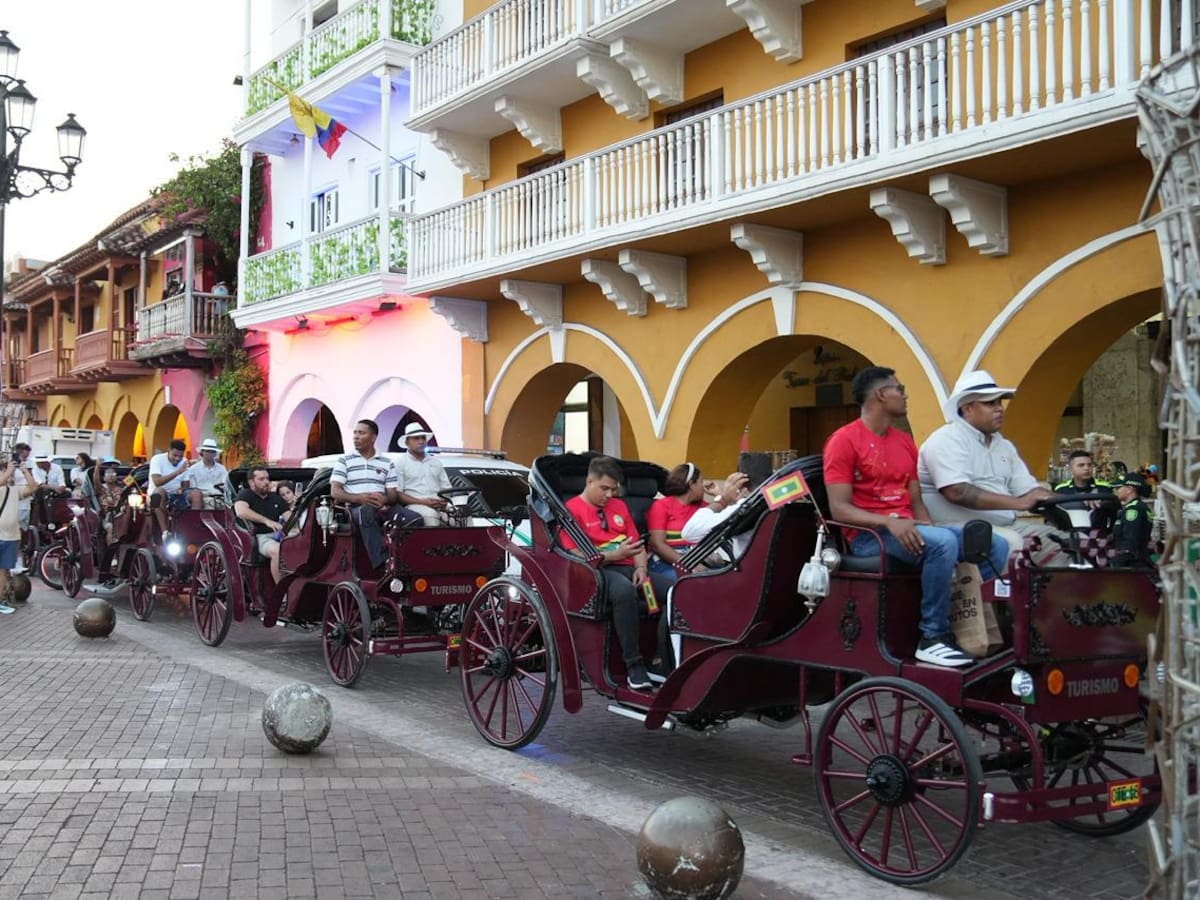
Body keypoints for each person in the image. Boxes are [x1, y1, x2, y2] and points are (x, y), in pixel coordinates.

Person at [824, 367, 1010, 668]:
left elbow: (915, 501)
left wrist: (927, 526)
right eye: (900, 389)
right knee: (941, 545)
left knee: (994, 545)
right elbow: (839, 509)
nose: (905, 395)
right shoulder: (843, 441)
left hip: (910, 530)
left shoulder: (904, 441)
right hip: (870, 538)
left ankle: (976, 627)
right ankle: (932, 637)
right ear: (881, 395)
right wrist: (889, 522)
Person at [560, 455, 673, 690]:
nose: (609, 495)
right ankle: (634, 665)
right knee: (623, 592)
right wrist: (615, 556)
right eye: (604, 488)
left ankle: (663, 661)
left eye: (613, 489)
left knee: (675, 591)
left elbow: (636, 544)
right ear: (589, 481)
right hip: (596, 572)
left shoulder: (619, 506)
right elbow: (575, 554)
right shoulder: (572, 510)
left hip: (629, 567)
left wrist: (641, 568)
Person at [918, 370, 1057, 555]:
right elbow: (957, 492)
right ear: (967, 409)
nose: (999, 408)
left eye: (999, 402)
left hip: (1004, 525)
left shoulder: (1003, 445)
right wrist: (1020, 503)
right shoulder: (946, 439)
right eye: (990, 403)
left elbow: (1029, 490)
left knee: (1069, 542)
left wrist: (1071, 503)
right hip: (956, 529)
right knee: (1014, 544)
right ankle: (1005, 585)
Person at [330, 419, 421, 570]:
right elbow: (335, 492)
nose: (356, 437)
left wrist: (383, 499)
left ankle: (404, 557)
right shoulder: (344, 461)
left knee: (416, 519)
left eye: (361, 433)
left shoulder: (387, 462)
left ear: (373, 437)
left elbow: (392, 496)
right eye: (355, 433)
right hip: (355, 508)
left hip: (382, 505)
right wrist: (359, 498)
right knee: (366, 510)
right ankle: (382, 562)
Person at [646, 463, 708, 580]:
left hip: (697, 559)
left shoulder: (702, 507)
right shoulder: (661, 506)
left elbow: (727, 517)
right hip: (666, 561)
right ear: (691, 484)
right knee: (692, 583)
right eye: (701, 482)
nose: (703, 487)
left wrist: (720, 496)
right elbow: (657, 545)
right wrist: (689, 564)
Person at [234, 466, 289, 584]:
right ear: (251, 482)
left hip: (280, 535)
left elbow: (289, 517)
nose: (266, 482)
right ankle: (282, 592)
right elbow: (241, 511)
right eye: (262, 479)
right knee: (277, 550)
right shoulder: (246, 495)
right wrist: (266, 521)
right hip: (259, 537)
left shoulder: (276, 498)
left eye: (267, 478)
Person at [393, 422, 451, 526]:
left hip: (440, 504)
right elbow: (398, 494)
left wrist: (443, 501)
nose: (421, 441)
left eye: (423, 438)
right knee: (431, 517)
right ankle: (435, 543)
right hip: (415, 504)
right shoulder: (400, 463)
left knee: (463, 515)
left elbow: (446, 488)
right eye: (416, 438)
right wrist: (424, 502)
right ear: (407, 442)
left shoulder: (436, 462)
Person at [0, 458, 37, 614]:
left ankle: (1, 599)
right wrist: (8, 470)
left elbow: (33, 487)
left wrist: (24, 470)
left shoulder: (13, 490)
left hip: (11, 536)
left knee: (3, 570)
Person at [148, 440, 192, 540]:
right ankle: (165, 532)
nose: (177, 459)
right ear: (169, 451)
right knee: (159, 492)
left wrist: (182, 489)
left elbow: (186, 485)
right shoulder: (157, 459)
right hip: (156, 495)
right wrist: (177, 472)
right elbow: (157, 482)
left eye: (180, 456)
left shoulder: (184, 462)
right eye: (174, 455)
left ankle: (192, 529)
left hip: (176, 494)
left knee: (196, 494)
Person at [1112, 472, 1154, 567]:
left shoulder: (1133, 509)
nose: (1116, 491)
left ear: (1129, 489)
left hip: (1131, 564)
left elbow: (1131, 540)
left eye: (1118, 488)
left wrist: (1119, 564)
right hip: (1137, 560)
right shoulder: (1140, 507)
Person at [186, 438, 229, 509]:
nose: (210, 454)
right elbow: (192, 487)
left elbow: (225, 484)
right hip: (203, 498)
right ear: (202, 452)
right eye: (208, 451)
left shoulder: (222, 468)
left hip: (220, 497)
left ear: (215, 453)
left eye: (212, 452)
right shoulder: (194, 469)